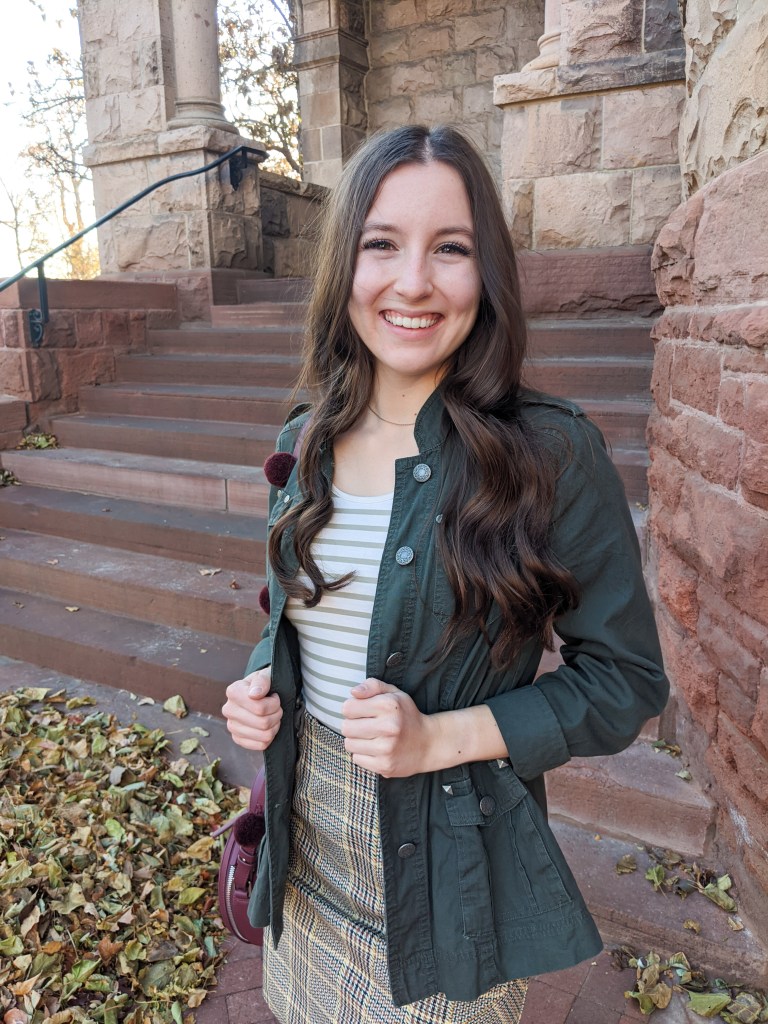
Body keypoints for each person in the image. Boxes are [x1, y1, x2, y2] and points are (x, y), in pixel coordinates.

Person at [222, 123, 669, 1024]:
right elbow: (311, 625)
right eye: (382, 243)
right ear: (345, 262)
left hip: (450, 858)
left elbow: (625, 681)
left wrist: (442, 737)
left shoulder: (551, 454)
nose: (414, 281)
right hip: (307, 843)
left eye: (451, 249)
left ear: (487, 273)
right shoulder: (302, 440)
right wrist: (261, 687)